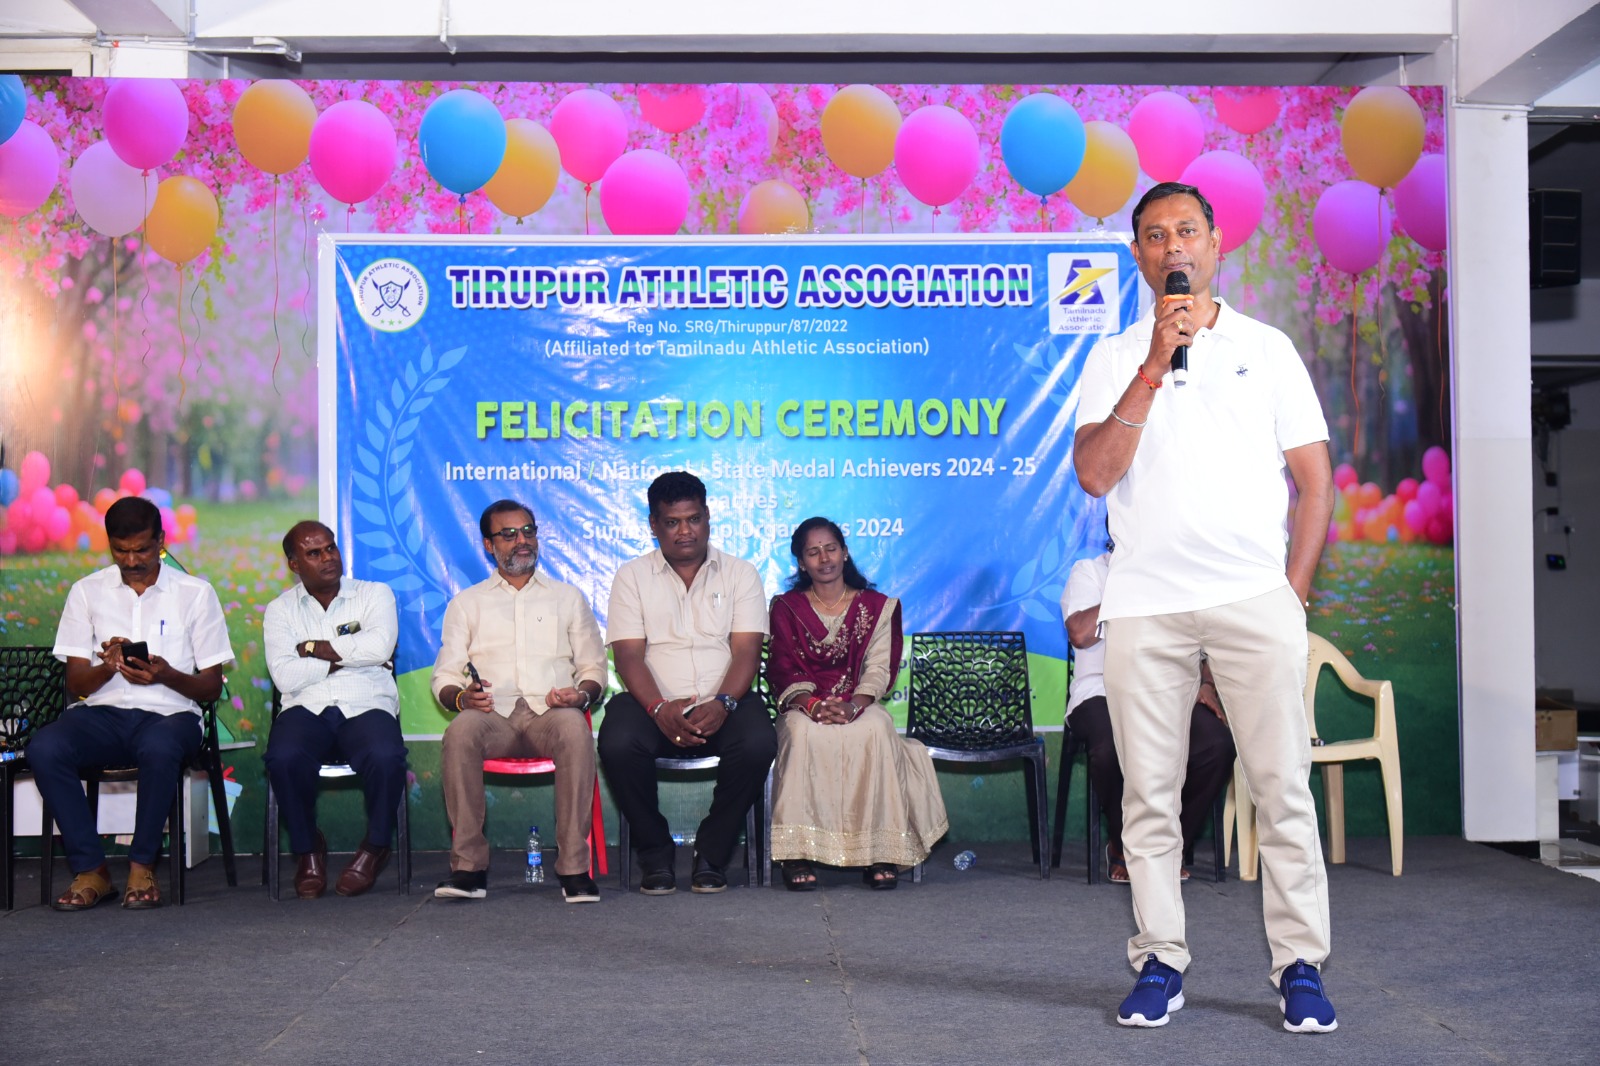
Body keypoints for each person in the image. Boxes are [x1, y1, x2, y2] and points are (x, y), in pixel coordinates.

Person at [1073, 181, 1338, 1033]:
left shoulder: (1268, 348)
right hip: (1146, 605)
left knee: (1281, 788)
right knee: (1148, 796)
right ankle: (1160, 960)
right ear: (1137, 256)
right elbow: (1094, 474)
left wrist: (1291, 594)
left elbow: (1316, 482)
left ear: (1215, 244)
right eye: (1154, 236)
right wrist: (1154, 366)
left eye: (1186, 230)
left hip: (1252, 599)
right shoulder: (1116, 356)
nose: (1173, 247)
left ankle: (1300, 966)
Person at [31, 496, 234, 911]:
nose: (131, 560)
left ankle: (142, 866)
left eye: (141, 549)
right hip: (101, 714)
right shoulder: (86, 592)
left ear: (161, 540)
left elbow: (211, 687)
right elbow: (76, 684)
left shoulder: (195, 594)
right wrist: (108, 667)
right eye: (120, 551)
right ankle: (92, 870)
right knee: (45, 747)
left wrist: (166, 675)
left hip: (171, 715)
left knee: (159, 747)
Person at [597, 471, 776, 895]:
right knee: (617, 742)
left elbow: (747, 652)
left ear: (708, 517)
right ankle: (654, 853)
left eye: (693, 519)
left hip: (726, 700)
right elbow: (628, 656)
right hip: (652, 704)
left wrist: (724, 703)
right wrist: (659, 708)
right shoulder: (632, 576)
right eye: (672, 522)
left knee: (758, 742)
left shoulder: (740, 573)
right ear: (653, 525)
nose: (685, 531)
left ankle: (712, 853)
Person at [431, 500, 606, 904]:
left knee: (573, 727)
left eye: (528, 531)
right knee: (460, 732)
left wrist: (580, 694)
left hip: (551, 713)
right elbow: (445, 676)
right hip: (493, 716)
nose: (521, 540)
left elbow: (594, 669)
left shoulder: (567, 598)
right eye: (508, 534)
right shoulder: (467, 603)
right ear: (488, 545)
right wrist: (463, 697)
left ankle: (574, 868)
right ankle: (468, 868)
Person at [766, 517, 947, 891]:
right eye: (813, 552)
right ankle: (797, 853)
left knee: (876, 726)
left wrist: (854, 705)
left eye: (831, 548)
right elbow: (783, 666)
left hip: (857, 703)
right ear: (801, 563)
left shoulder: (877, 607)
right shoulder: (787, 608)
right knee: (801, 732)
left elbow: (879, 668)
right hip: (804, 706)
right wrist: (813, 706)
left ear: (845, 553)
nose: (824, 558)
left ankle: (880, 852)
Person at [1063, 548, 1236, 884]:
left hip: (1166, 691)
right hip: (1099, 691)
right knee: (1110, 748)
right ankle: (1124, 847)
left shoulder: (1172, 574)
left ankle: (1169, 847)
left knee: (1216, 745)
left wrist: (1205, 683)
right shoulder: (1091, 572)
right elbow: (1080, 634)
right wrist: (1129, 587)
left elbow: (1203, 645)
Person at [262, 520, 407, 899]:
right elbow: (284, 676)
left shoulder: (374, 594)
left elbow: (380, 648)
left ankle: (375, 847)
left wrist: (313, 649)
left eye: (331, 548)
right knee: (283, 757)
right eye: (314, 553)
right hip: (306, 705)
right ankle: (308, 848)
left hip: (366, 700)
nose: (328, 558)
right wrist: (348, 656)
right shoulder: (280, 610)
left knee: (386, 755)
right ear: (294, 564)